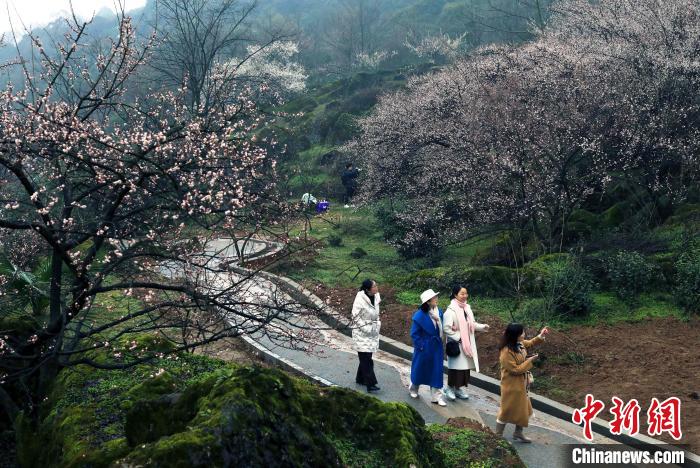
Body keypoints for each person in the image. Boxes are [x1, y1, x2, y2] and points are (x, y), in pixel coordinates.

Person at [496, 323, 549, 442]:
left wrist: (540, 336)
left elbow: (530, 343)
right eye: (522, 333)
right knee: (506, 410)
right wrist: (530, 361)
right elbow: (515, 370)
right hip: (511, 386)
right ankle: (497, 435)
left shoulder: (519, 344)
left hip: (522, 384)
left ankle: (518, 433)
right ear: (515, 335)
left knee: (523, 409)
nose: (524, 335)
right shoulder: (506, 352)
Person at [442, 285, 490, 401]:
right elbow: (446, 328)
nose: (465, 296)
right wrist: (458, 337)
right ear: (455, 295)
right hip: (456, 344)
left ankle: (458, 388)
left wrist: (483, 327)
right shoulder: (450, 310)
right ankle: (449, 388)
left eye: (466, 293)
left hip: (467, 344)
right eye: (462, 294)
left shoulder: (467, 308)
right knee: (455, 369)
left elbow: (471, 324)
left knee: (464, 369)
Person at [409, 289, 446, 406]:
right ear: (428, 301)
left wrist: (439, 321)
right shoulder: (419, 315)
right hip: (424, 346)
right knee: (419, 369)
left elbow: (442, 328)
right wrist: (421, 346)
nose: (437, 299)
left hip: (436, 346)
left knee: (437, 371)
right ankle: (413, 389)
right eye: (434, 297)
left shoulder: (439, 312)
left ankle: (437, 397)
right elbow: (414, 334)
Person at [351, 279, 381, 393]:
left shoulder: (376, 297)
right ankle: (371, 383)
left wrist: (377, 324)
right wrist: (365, 328)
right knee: (366, 358)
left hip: (372, 330)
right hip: (361, 332)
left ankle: (360, 378)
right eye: (374, 286)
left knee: (366, 356)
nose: (377, 287)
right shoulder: (359, 299)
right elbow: (355, 316)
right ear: (368, 289)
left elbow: (376, 314)